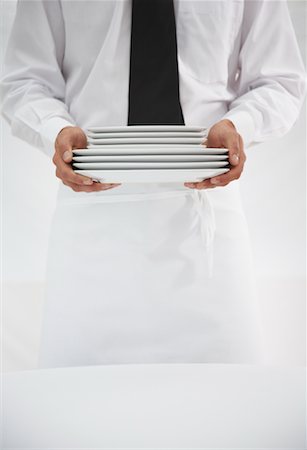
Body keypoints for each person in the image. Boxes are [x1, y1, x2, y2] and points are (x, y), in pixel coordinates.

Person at [1, 0, 306, 368]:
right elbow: (25, 80)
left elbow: (279, 79)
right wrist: (55, 129)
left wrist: (240, 125)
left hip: (206, 232)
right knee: (81, 401)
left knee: (224, 399)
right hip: (91, 227)